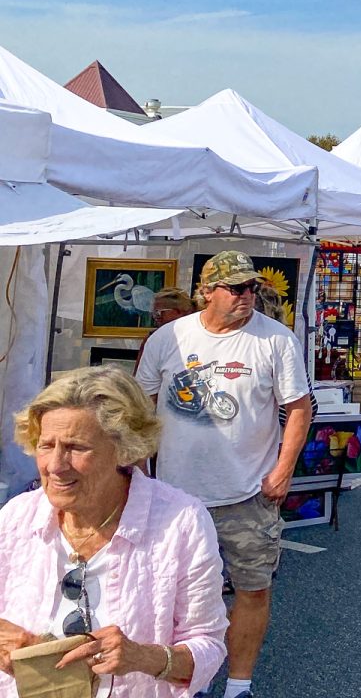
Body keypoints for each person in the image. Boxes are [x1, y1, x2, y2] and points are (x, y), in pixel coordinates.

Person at [135, 251, 310, 698]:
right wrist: (139, 474)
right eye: (235, 288)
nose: (246, 296)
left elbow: (299, 407)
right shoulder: (168, 337)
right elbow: (138, 408)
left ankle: (238, 684)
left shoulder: (276, 339)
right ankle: (182, 680)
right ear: (206, 292)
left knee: (253, 588)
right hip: (174, 496)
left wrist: (283, 469)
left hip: (247, 493)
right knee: (170, 596)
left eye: (252, 287)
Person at [0, 367, 227, 697]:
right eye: (46, 445)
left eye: (77, 447)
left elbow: (208, 646)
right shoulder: (18, 516)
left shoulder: (180, 522)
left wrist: (143, 656)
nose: (55, 465)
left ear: (125, 449)